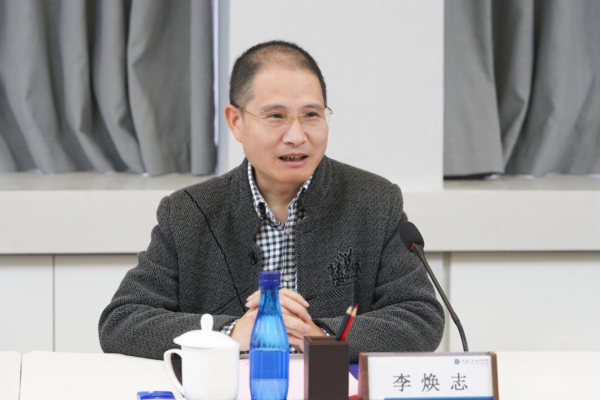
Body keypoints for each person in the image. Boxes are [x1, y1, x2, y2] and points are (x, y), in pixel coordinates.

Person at [99, 40, 444, 362]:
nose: (296, 136)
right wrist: (231, 333)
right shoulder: (188, 212)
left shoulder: (375, 201)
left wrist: (320, 336)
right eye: (276, 116)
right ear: (236, 122)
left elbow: (420, 317)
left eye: (312, 115)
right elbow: (122, 320)